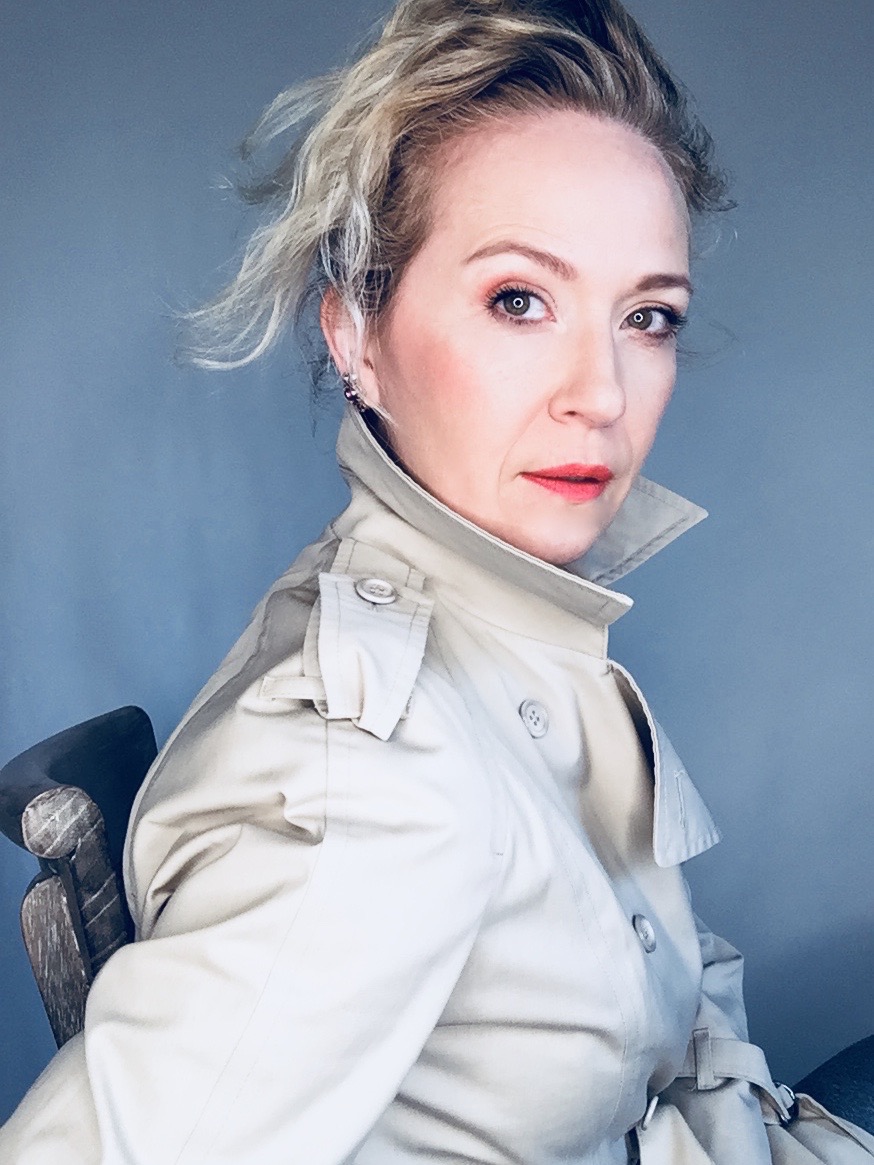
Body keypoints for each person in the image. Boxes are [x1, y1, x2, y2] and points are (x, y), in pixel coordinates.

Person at [2, 0, 870, 1162]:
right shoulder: (367, 772)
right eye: (519, 299)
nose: (601, 393)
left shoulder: (487, 625)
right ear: (356, 334)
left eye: (647, 316)